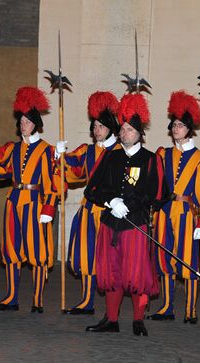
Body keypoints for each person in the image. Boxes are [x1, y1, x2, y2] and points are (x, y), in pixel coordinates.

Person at [84, 93, 168, 336]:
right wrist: (111, 201)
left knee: (138, 275)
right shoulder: (110, 156)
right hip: (111, 223)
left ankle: (138, 320)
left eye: (130, 130)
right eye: (122, 129)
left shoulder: (152, 160)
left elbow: (160, 193)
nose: (124, 133)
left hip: (136, 225)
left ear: (140, 133)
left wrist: (130, 204)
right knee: (112, 274)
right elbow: (92, 190)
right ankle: (111, 319)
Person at [0, 86, 58, 312]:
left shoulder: (46, 151)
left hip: (36, 202)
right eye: (21, 120)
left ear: (35, 124)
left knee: (37, 252)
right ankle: (11, 297)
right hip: (14, 201)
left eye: (27, 121)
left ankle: (37, 300)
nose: (23, 124)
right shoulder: (12, 149)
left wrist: (49, 208)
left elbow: (52, 180)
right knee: (12, 250)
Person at [149, 91, 200, 324]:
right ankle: (167, 306)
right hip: (164, 212)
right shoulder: (163, 154)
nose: (176, 128)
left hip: (187, 215)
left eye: (180, 125)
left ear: (189, 129)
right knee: (163, 260)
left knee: (188, 261)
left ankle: (190, 310)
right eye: (174, 125)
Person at [57, 91, 121, 315]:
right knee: (86, 255)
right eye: (94, 126)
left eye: (100, 126)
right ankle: (87, 301)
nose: (96, 130)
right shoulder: (87, 150)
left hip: (110, 213)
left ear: (110, 127)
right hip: (88, 209)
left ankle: (113, 307)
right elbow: (72, 167)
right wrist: (60, 155)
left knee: (111, 260)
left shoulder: (121, 152)